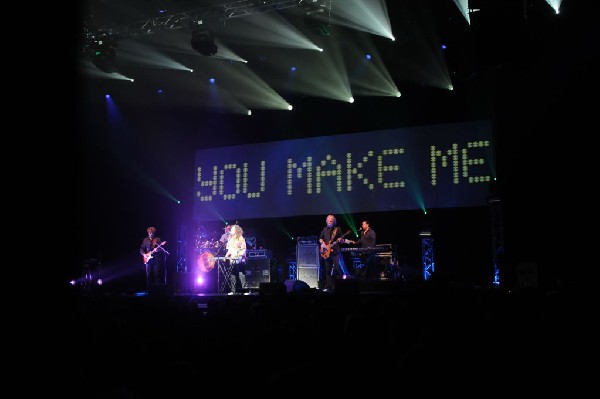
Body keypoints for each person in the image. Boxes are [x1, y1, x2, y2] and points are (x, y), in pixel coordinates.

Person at [319, 214, 347, 292]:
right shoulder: (324, 229)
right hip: (326, 253)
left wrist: (341, 240)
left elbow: (342, 240)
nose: (330, 221)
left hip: (335, 252)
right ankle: (328, 286)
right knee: (328, 270)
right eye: (329, 220)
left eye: (331, 220)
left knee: (337, 269)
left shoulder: (338, 229)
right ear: (327, 221)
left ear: (334, 221)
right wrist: (323, 244)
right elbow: (320, 239)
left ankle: (337, 286)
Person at [224, 224, 247, 294]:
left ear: (236, 230)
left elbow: (244, 249)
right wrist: (226, 256)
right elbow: (230, 249)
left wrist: (239, 255)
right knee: (232, 274)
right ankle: (233, 291)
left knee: (240, 273)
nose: (231, 230)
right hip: (232, 258)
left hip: (239, 258)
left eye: (233, 229)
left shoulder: (240, 238)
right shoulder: (230, 239)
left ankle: (245, 290)